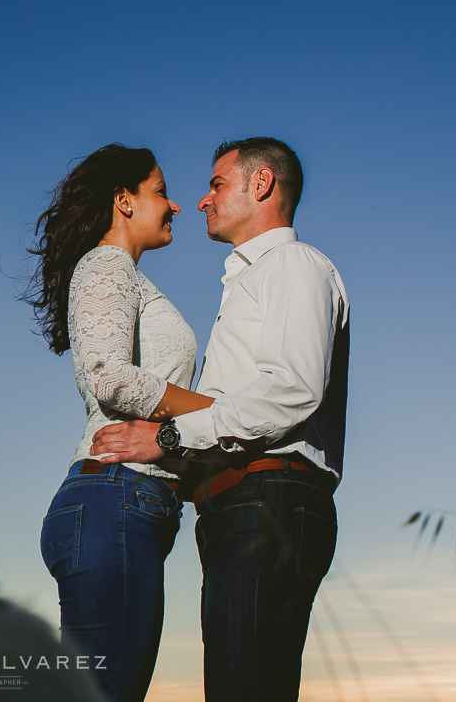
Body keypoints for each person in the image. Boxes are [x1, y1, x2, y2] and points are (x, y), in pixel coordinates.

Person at [92, 136, 349, 701]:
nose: (202, 200)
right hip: (243, 502)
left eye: (216, 184)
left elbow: (292, 391)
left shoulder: (293, 266)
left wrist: (168, 435)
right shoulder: (251, 282)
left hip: (270, 496)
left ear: (261, 185)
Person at [25, 143, 212, 702]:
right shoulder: (107, 264)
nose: (175, 204)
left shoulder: (120, 273)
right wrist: (217, 414)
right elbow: (107, 375)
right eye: (160, 191)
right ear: (123, 201)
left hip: (119, 507)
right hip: (113, 503)